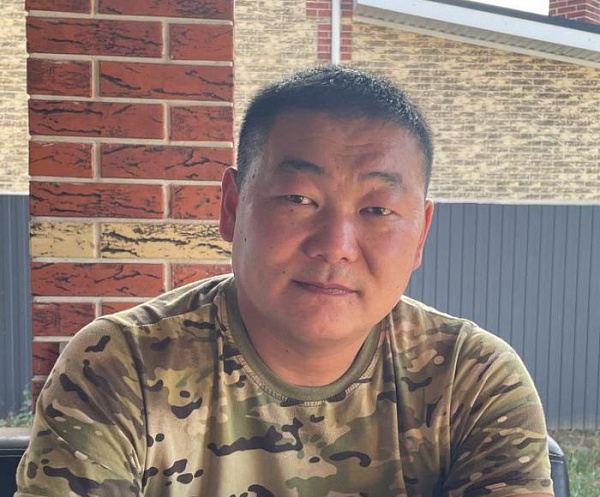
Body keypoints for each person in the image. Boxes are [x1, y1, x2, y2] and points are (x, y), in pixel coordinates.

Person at [16, 66, 554, 497]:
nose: (336, 244)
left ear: (421, 234)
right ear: (232, 208)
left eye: (377, 209)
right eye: (299, 198)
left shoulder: (472, 378)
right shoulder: (120, 364)